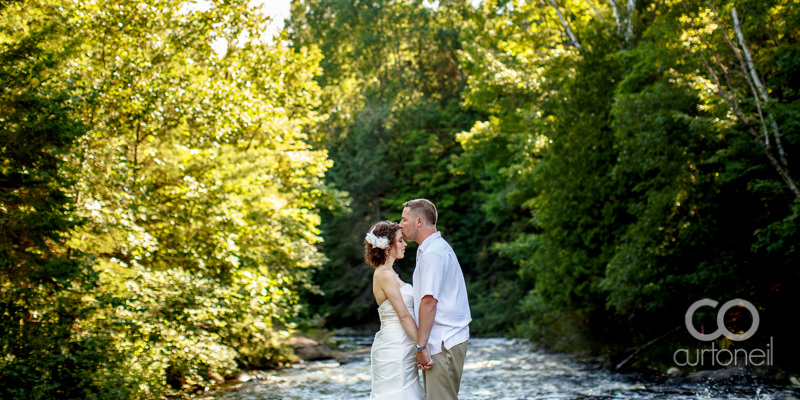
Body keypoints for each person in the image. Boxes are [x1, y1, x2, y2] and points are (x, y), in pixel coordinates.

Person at [399, 199, 471, 400]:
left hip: (442, 341)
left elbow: (429, 302)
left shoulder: (433, 254)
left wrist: (421, 347)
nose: (400, 224)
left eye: (404, 220)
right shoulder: (432, 249)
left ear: (419, 221)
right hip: (443, 339)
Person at [365, 220, 426, 400]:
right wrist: (422, 346)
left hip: (404, 345)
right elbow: (404, 316)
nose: (405, 244)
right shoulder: (384, 274)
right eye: (400, 240)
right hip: (395, 346)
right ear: (386, 246)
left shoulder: (390, 274)